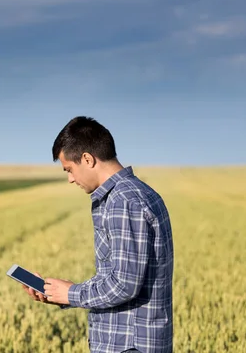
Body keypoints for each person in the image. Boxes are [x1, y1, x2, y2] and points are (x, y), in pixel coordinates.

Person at [21, 116, 174, 353]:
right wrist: (60, 293)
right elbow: (116, 276)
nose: (70, 179)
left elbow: (124, 284)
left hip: (128, 345)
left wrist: (71, 294)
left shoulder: (123, 201)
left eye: (69, 169)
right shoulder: (140, 193)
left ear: (87, 159)